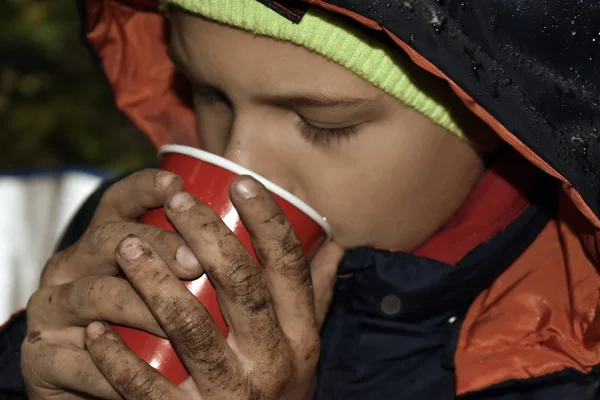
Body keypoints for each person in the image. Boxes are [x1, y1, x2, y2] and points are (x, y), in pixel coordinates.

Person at [1, 0, 600, 398]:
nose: (241, 167)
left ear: (494, 124)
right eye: (208, 93)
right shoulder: (121, 232)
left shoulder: (564, 349)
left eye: (323, 124)